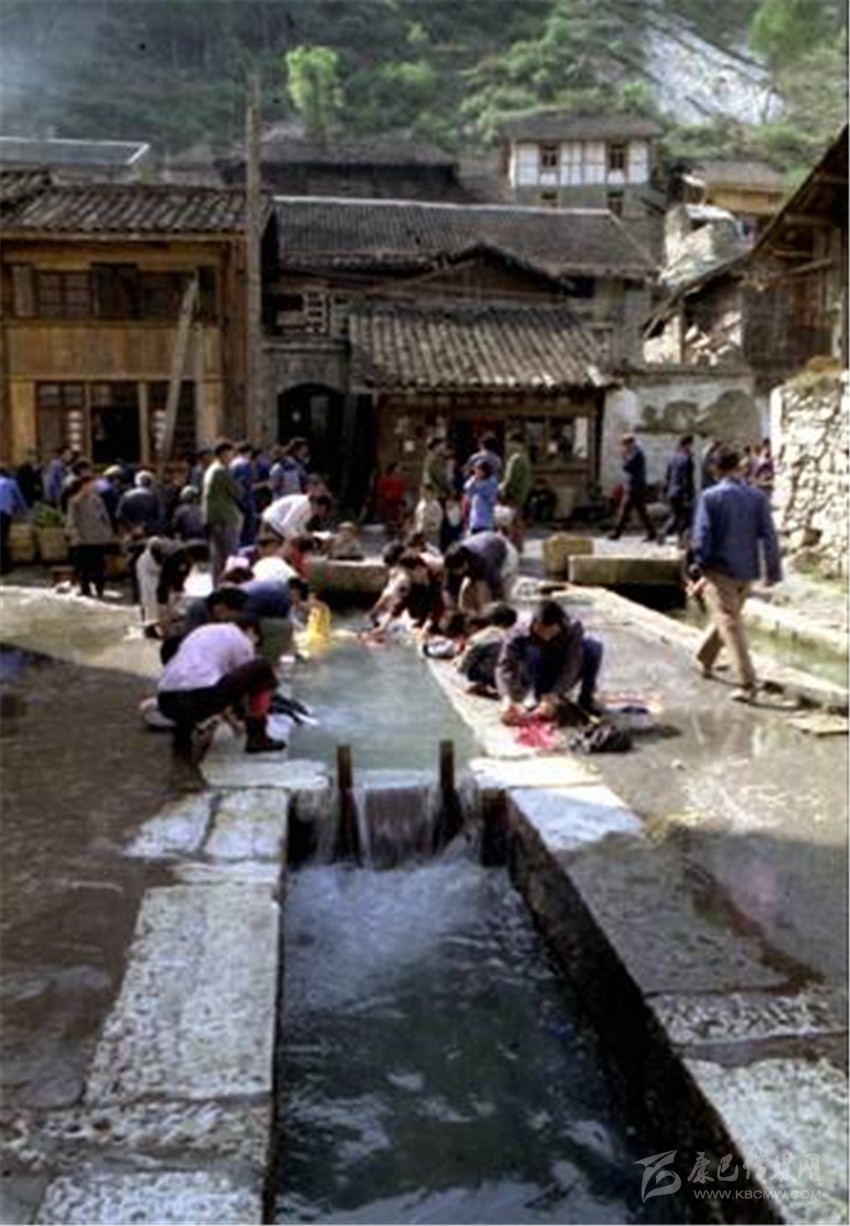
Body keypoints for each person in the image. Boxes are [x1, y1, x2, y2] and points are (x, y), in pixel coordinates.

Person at [691, 444, 782, 704]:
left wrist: (699, 566)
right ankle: (704, 657)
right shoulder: (757, 497)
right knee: (727, 617)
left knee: (729, 623)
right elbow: (770, 536)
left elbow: (702, 537)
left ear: (715, 469)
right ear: (739, 467)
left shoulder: (710, 497)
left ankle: (746, 682)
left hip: (719, 569)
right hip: (746, 570)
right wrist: (772, 571)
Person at [157, 616, 284, 755]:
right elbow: (244, 688)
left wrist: (233, 724)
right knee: (261, 668)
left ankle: (182, 738)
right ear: (251, 631)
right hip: (199, 696)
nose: (253, 648)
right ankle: (258, 738)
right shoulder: (240, 638)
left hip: (166, 701)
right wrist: (246, 718)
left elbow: (216, 687)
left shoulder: (205, 632)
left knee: (192, 689)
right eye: (256, 643)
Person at [496, 598, 603, 723]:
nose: (545, 637)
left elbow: (572, 665)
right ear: (534, 624)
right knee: (533, 658)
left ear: (560, 624)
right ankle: (534, 693)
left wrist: (554, 693)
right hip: (535, 666)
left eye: (550, 632)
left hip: (559, 662)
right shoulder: (519, 631)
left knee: (594, 648)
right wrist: (506, 696)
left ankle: (586, 700)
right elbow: (505, 665)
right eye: (541, 631)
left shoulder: (573, 628)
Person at [65, 471, 115, 598]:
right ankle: (85, 588)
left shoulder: (97, 499)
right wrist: (75, 535)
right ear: (83, 485)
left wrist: (107, 532)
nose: (91, 487)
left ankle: (100, 588)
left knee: (99, 566)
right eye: (89, 484)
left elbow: (104, 517)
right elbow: (71, 520)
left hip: (97, 538)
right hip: (82, 539)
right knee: (84, 566)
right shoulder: (75, 501)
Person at [443, 532, 519, 616]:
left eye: (457, 570)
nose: (456, 573)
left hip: (505, 554)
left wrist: (488, 610)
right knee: (469, 592)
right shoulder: (452, 562)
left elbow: (495, 587)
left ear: (465, 563)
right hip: (485, 544)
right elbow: (449, 591)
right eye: (453, 571)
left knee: (495, 595)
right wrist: (453, 610)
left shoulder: (483, 562)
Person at [202, 440, 244, 584]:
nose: (232, 457)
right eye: (230, 454)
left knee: (218, 556)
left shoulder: (210, 470)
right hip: (225, 517)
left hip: (214, 518)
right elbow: (238, 492)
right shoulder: (222, 471)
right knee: (231, 555)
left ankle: (217, 584)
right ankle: (232, 583)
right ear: (224, 454)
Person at [455, 602, 518, 694]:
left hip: (487, 674)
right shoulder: (514, 636)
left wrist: (460, 668)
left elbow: (471, 653)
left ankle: (481, 684)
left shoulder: (485, 634)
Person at [608, 433, 656, 542]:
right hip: (634, 486)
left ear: (630, 443)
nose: (625, 447)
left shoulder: (636, 453)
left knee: (625, 510)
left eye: (625, 444)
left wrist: (624, 456)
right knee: (639, 511)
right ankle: (651, 532)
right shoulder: (636, 452)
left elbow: (627, 466)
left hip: (635, 486)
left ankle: (616, 533)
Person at [499, 431, 533, 549]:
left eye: (509, 442)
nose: (507, 445)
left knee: (510, 524)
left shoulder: (515, 459)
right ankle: (518, 547)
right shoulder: (525, 458)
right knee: (517, 522)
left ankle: (513, 547)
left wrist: (501, 490)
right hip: (521, 495)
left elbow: (509, 480)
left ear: (516, 443)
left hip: (512, 495)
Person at [660, 434, 695, 547]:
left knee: (677, 516)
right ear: (688, 445)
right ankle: (675, 537)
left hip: (672, 491)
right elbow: (687, 479)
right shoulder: (687, 459)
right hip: (682, 492)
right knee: (683, 517)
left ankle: (676, 538)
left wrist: (665, 490)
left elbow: (668, 476)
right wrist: (689, 495)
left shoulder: (673, 458)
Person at [262, 491, 330, 541]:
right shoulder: (303, 503)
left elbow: (300, 526)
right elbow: (287, 524)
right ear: (316, 503)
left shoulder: (310, 512)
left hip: (279, 524)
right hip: (273, 519)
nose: (318, 513)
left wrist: (308, 536)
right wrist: (298, 538)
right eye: (320, 510)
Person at [117, 470, 163, 542]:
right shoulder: (155, 496)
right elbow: (160, 516)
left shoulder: (126, 495)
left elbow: (119, 515)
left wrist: (131, 528)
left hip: (131, 533)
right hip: (149, 533)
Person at [0, 468, 28, 575]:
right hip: (4, 514)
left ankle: (5, 565)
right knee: (3, 540)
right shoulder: (11, 483)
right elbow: (19, 499)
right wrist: (24, 512)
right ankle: (5, 566)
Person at [229, 441, 257, 546]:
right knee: (248, 532)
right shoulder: (245, 464)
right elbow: (245, 484)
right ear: (249, 452)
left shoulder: (232, 464)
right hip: (245, 501)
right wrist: (244, 504)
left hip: (233, 501)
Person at [464, 458, 499, 534]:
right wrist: (473, 480)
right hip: (475, 516)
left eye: (479, 470)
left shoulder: (491, 482)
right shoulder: (474, 480)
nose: (477, 472)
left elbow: (491, 497)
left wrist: (478, 489)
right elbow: (467, 488)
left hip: (486, 517)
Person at [373, 462, 407, 538]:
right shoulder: (385, 479)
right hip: (388, 502)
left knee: (398, 519)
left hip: (397, 503)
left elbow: (402, 492)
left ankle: (398, 534)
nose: (399, 470)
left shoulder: (401, 480)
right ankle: (389, 534)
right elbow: (380, 490)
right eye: (397, 468)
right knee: (389, 520)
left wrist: (402, 500)